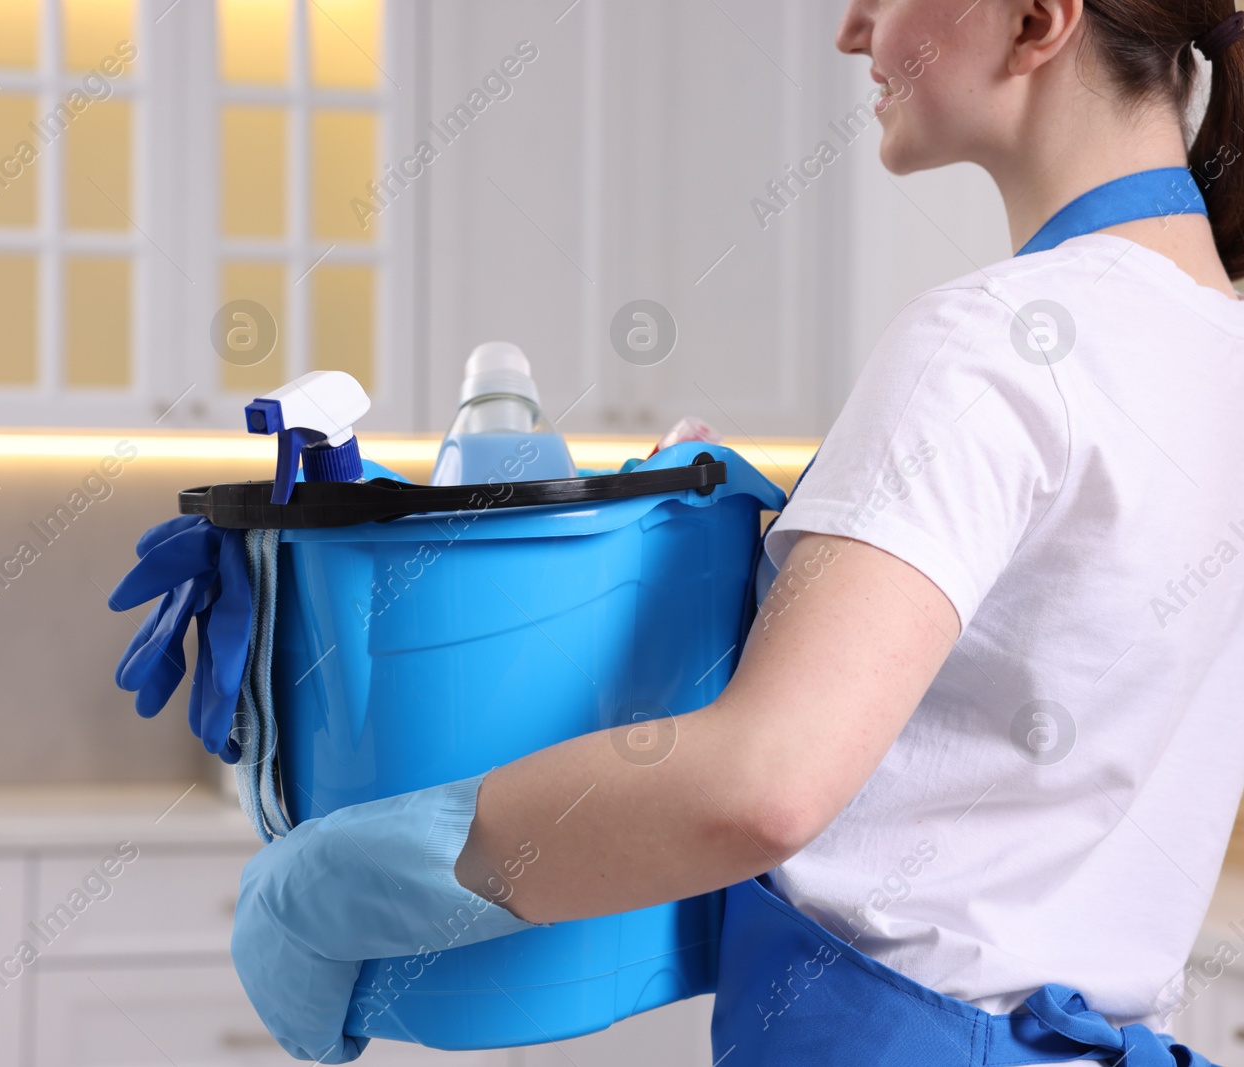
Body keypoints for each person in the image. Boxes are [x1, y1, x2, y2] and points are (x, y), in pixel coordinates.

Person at [229, 1, 1244, 1063]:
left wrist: (332, 881)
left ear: (1035, 19)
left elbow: (761, 786)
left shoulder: (989, 344)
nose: (852, 29)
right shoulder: (1214, 351)